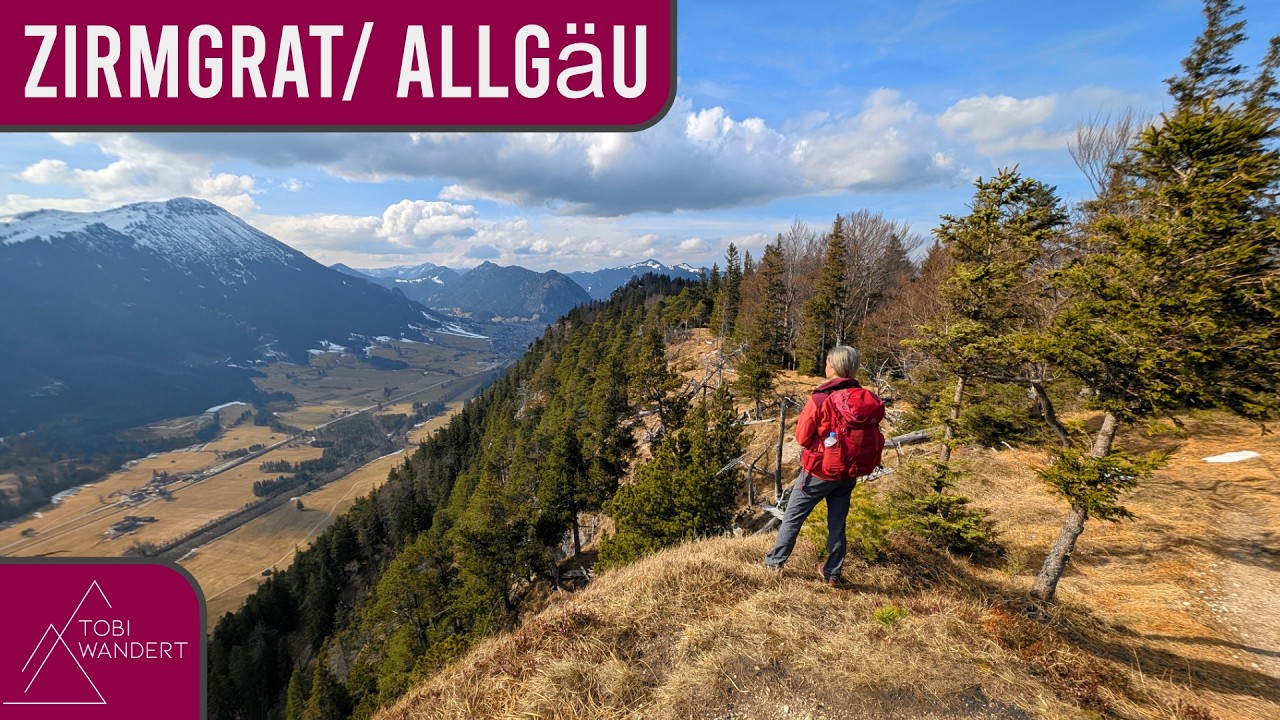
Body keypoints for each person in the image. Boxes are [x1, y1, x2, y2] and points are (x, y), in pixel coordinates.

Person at [763, 345, 885, 585]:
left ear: (834, 366)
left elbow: (801, 437)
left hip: (819, 470)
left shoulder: (820, 398)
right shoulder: (863, 399)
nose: (825, 365)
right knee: (837, 523)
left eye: (828, 362)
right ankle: (832, 573)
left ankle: (774, 563)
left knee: (793, 517)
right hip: (849, 471)